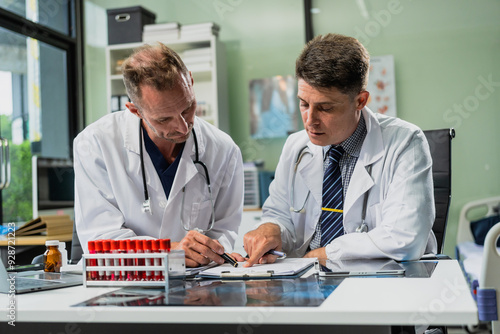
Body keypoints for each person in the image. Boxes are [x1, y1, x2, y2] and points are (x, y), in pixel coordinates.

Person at [242, 34, 437, 267]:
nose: (310, 121)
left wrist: (325, 254)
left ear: (360, 101)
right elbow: (279, 213)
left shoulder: (405, 142)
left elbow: (405, 238)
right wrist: (272, 229)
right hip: (304, 280)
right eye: (304, 103)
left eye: (325, 108)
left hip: (377, 283)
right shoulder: (296, 146)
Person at [74, 43, 244, 267]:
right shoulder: (95, 144)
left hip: (197, 286)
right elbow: (100, 241)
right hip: (121, 284)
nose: (183, 127)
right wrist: (170, 251)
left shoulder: (224, 150)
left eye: (187, 108)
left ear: (190, 82)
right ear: (135, 110)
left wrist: (213, 252)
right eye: (164, 119)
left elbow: (224, 231)